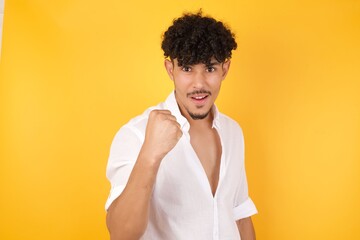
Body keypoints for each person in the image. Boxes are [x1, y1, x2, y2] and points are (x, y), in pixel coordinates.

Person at [105, 11, 257, 240]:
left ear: (225, 69)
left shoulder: (233, 131)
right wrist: (149, 156)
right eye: (187, 68)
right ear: (170, 69)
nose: (199, 83)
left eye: (210, 68)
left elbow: (239, 213)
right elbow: (121, 234)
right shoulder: (136, 134)